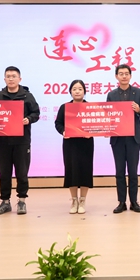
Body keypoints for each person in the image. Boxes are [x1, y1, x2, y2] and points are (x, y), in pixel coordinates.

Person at [0, 66, 40, 215]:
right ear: (4, 79)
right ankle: (5, 201)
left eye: (14, 76)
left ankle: (22, 201)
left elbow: (36, 113)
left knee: (22, 173)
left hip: (22, 141)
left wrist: (28, 119)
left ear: (20, 79)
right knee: (4, 173)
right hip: (3, 142)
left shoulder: (27, 96)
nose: (11, 79)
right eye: (8, 76)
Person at [106, 64, 140, 213]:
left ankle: (134, 202)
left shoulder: (138, 92)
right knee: (119, 172)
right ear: (116, 76)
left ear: (130, 76)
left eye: (126, 74)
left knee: (133, 172)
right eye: (121, 74)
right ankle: (121, 202)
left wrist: (138, 110)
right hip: (117, 138)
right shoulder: (111, 95)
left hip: (133, 138)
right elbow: (108, 115)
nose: (124, 76)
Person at [54, 80, 94, 214]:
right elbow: (58, 123)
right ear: (70, 91)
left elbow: (96, 124)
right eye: (75, 89)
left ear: (84, 91)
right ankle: (74, 200)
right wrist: (63, 131)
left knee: (85, 170)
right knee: (71, 170)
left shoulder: (90, 107)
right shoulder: (64, 107)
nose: (77, 91)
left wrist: (91, 132)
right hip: (70, 143)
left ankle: (83, 200)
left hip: (86, 143)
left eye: (80, 89)